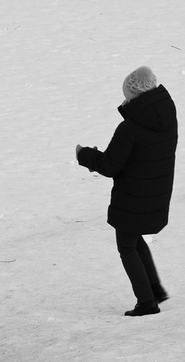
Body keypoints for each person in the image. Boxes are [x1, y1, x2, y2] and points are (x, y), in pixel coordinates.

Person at [76, 66, 179, 317]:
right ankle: (155, 290)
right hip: (156, 191)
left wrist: (85, 155)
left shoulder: (131, 128)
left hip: (133, 194)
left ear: (132, 93)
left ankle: (147, 302)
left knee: (127, 245)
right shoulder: (166, 116)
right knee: (133, 237)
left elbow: (110, 165)